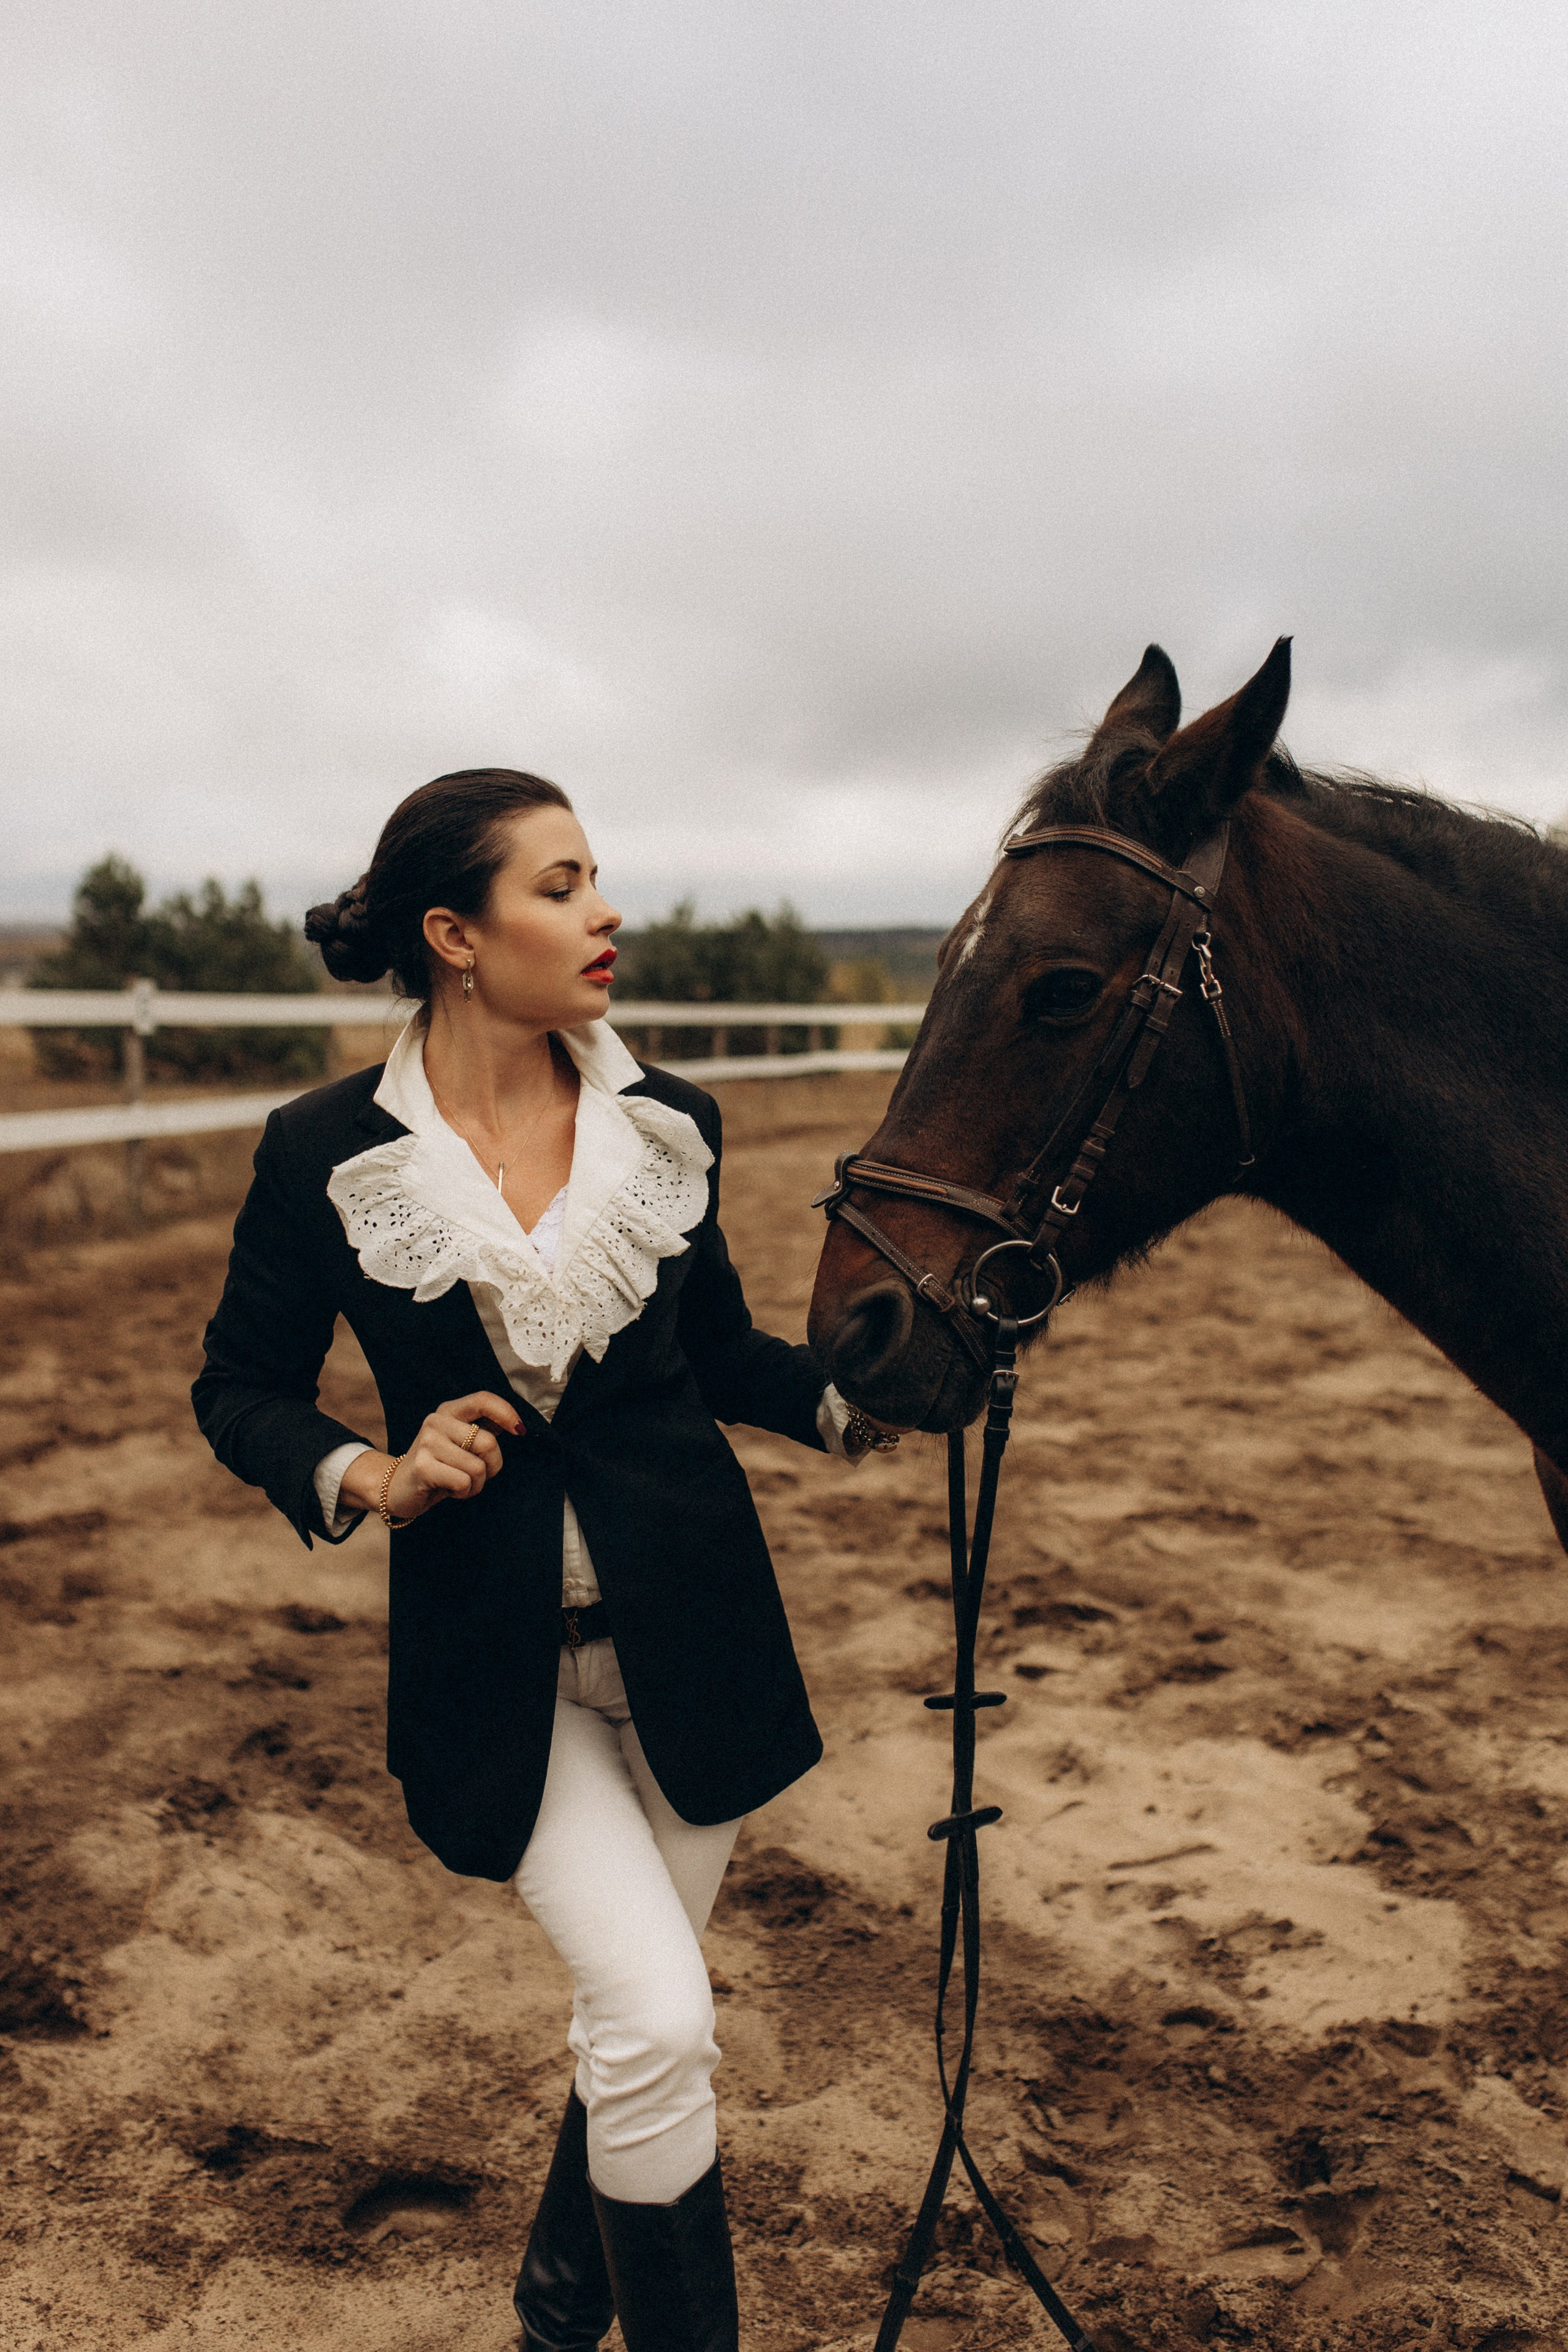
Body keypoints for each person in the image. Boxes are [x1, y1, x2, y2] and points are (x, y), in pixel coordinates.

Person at [191, 768, 895, 2352]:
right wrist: (368, 1470)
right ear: (455, 933)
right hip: (497, 1675)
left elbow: (720, 1358)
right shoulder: (321, 1154)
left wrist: (865, 1406)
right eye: (563, 885)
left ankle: (556, 2318)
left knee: (631, 2034)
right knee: (656, 2015)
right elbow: (234, 1388)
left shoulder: (669, 1129)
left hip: (695, 1645)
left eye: (599, 881)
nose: (607, 913)